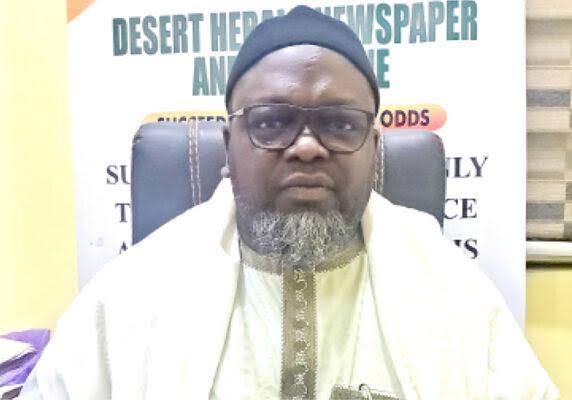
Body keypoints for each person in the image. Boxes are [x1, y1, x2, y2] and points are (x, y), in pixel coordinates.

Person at [21, 5, 557, 400]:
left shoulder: (450, 289)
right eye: (272, 121)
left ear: (373, 147)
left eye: (340, 124)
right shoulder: (130, 297)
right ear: (229, 145)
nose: (306, 147)